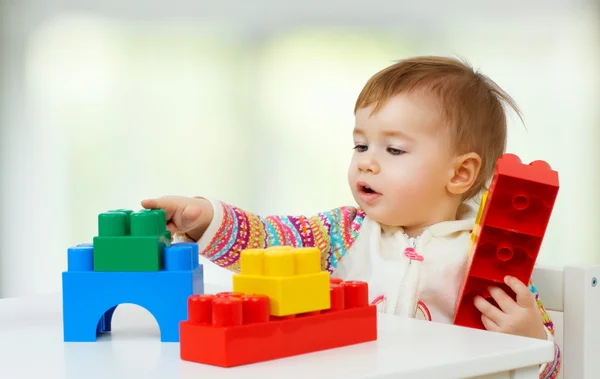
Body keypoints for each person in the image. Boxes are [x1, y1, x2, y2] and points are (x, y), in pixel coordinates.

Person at [142, 56, 560, 378]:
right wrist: (206, 218)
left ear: (460, 173)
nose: (366, 163)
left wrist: (533, 338)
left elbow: (548, 364)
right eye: (361, 146)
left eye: (393, 150)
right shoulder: (343, 231)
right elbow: (268, 242)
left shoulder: (486, 258)